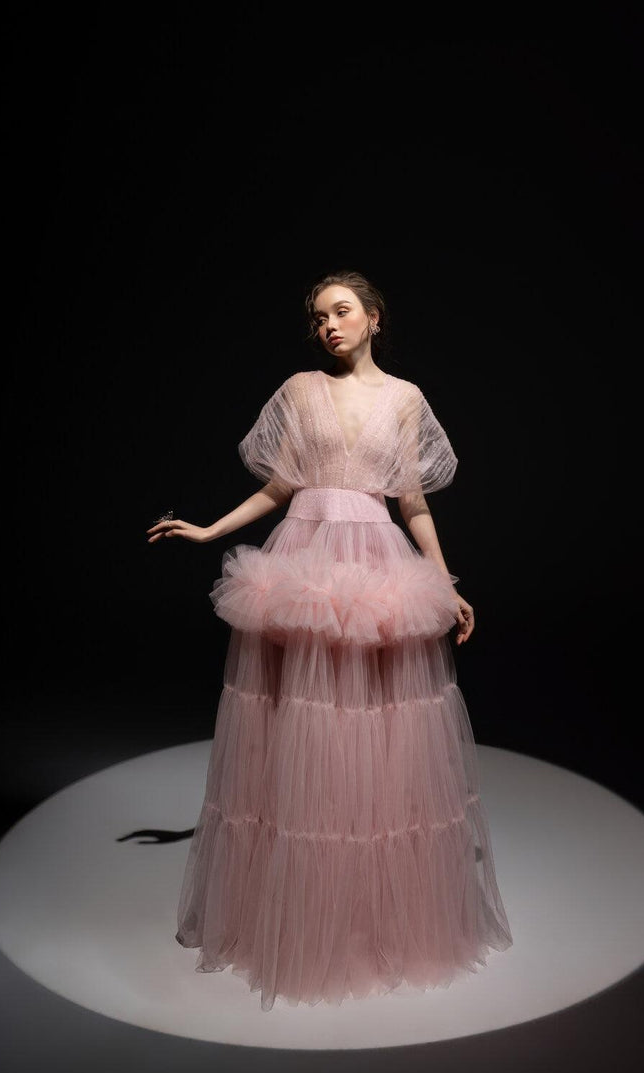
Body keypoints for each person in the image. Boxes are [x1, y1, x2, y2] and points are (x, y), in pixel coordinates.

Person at [148, 270, 513, 1011]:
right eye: (319, 318)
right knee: (297, 721)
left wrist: (444, 582)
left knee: (374, 724)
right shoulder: (299, 389)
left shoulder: (404, 398)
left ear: (375, 318)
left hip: (373, 561)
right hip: (306, 560)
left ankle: (368, 908)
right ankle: (298, 906)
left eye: (342, 312)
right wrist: (210, 530)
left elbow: (412, 501)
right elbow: (280, 486)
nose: (329, 326)